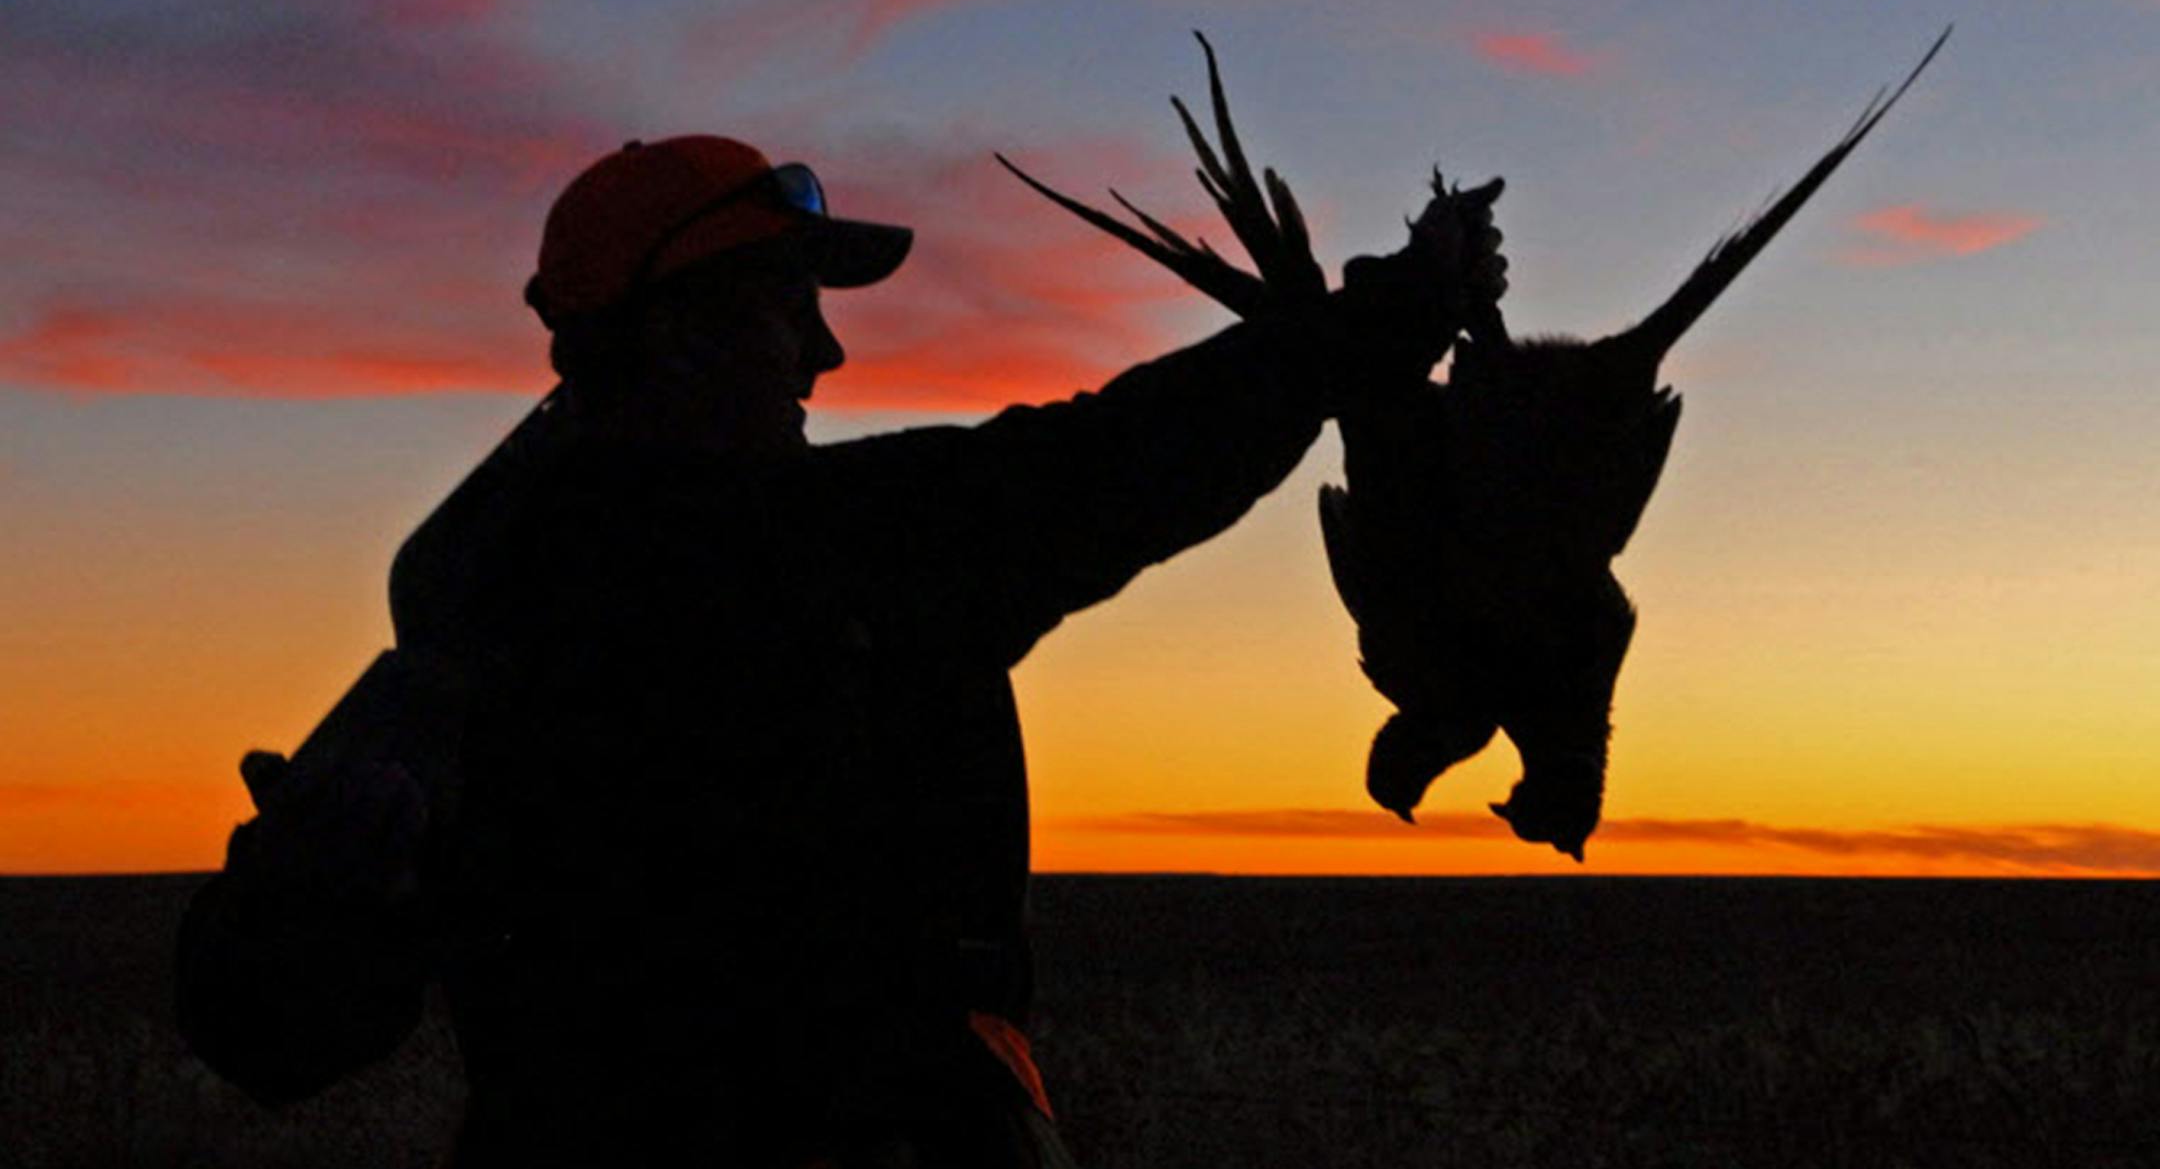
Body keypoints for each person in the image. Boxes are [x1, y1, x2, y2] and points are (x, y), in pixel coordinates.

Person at [184, 132, 1503, 1167]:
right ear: (674, 334)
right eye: (783, 309)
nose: (826, 348)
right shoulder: (845, 552)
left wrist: (298, 902)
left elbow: (267, 1036)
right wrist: (1393, 310)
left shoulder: (486, 630)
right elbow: (1122, 461)